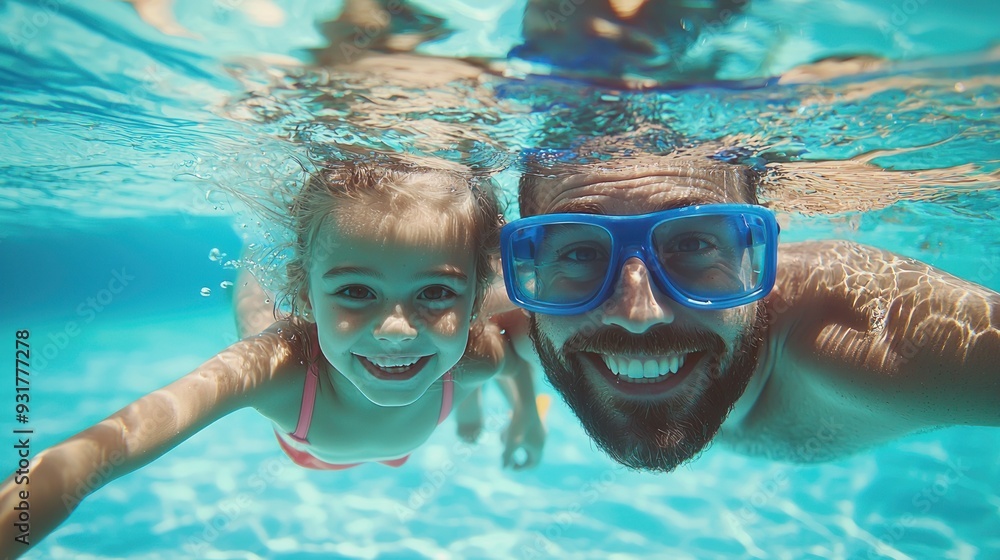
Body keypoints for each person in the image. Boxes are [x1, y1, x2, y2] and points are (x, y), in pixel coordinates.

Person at [0, 161, 545, 555]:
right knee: (257, 318)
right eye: (356, 291)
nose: (396, 330)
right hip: (310, 442)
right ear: (306, 295)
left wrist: (525, 417)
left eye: (436, 291)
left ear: (476, 294)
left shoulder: (478, 354)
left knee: (466, 357)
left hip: (440, 386)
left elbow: (512, 367)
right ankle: (263, 267)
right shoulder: (276, 371)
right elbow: (108, 451)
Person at [493, 149, 999, 473]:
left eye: (693, 244)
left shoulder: (872, 339)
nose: (638, 314)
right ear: (529, 275)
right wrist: (524, 411)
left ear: (756, 261)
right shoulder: (509, 323)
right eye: (581, 253)